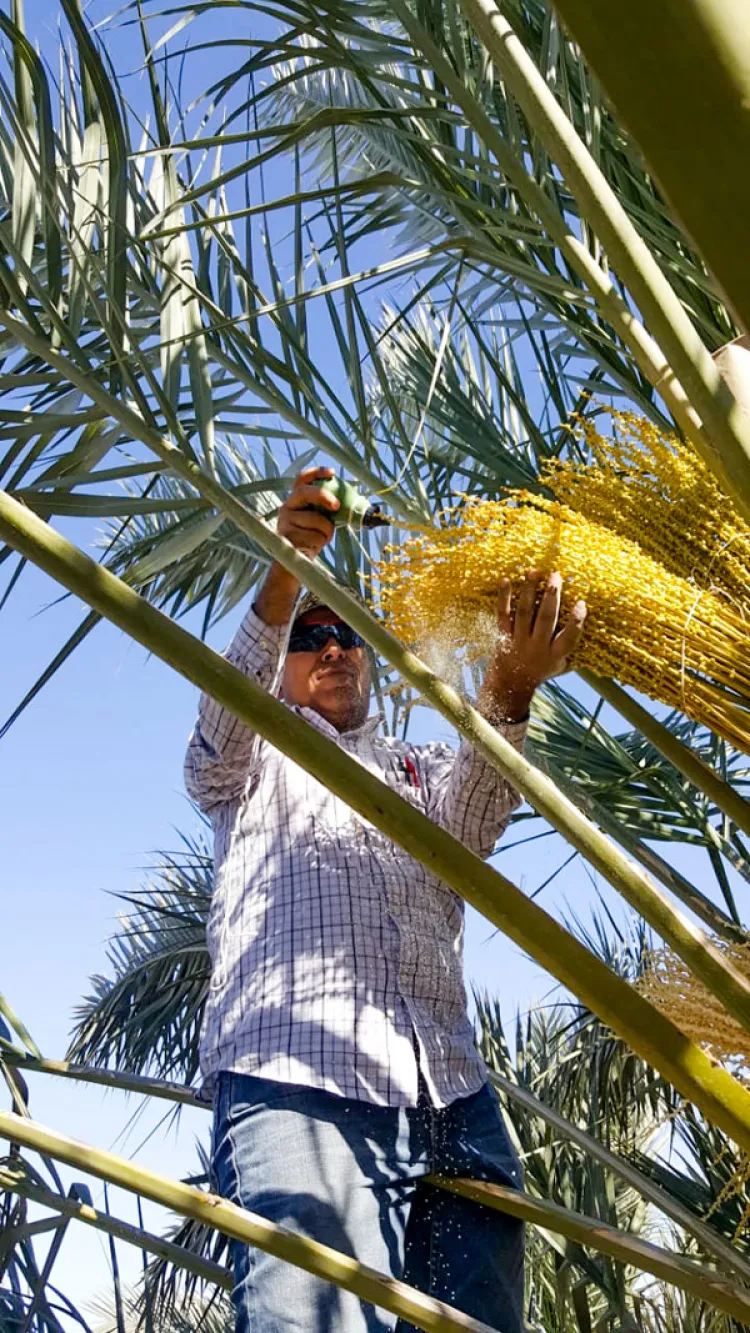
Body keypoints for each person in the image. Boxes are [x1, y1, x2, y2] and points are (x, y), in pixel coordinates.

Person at [184, 465, 587, 1333]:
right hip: (302, 1088)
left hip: (454, 1097)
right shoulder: (254, 760)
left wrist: (514, 678)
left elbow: (476, 818)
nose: (332, 645)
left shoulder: (418, 767)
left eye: (345, 632)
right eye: (307, 634)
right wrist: (287, 566)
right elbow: (217, 730)